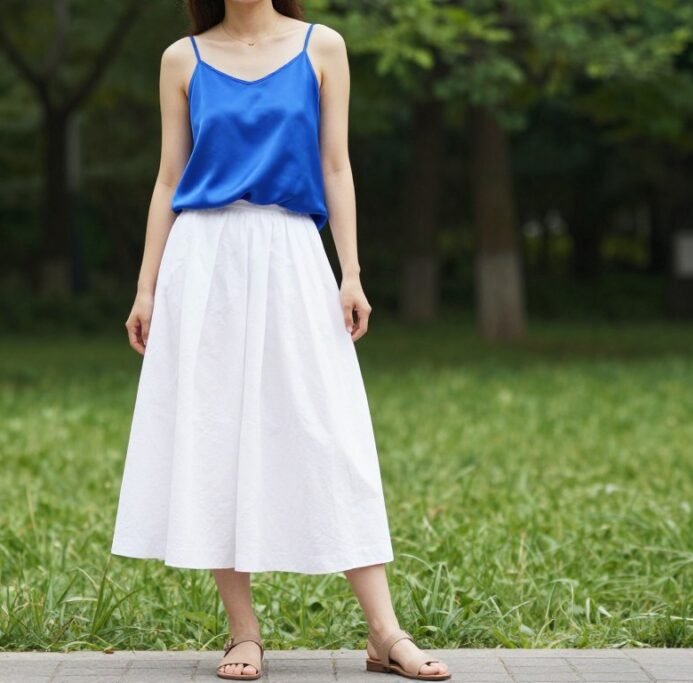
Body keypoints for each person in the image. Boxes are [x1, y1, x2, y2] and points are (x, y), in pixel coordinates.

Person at [112, 1, 451, 680]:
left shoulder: (322, 48)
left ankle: (384, 632)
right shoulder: (183, 58)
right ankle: (244, 632)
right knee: (214, 435)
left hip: (295, 253)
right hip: (202, 260)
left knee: (332, 432)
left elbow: (336, 167)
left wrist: (351, 271)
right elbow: (169, 178)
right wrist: (147, 287)